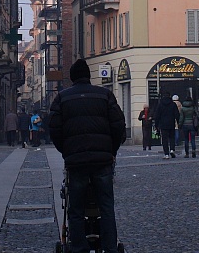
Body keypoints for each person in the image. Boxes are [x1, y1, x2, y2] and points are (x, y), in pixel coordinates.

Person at [48, 60, 126, 253]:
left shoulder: (62, 98)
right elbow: (118, 126)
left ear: (72, 77)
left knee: (75, 209)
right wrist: (111, 151)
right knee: (106, 206)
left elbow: (54, 130)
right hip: (103, 161)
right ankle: (110, 247)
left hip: (76, 161)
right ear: (88, 76)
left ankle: (79, 248)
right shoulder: (105, 95)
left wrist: (66, 151)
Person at [153, 93, 178, 158]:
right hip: (171, 123)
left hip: (163, 124)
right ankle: (172, 149)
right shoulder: (173, 104)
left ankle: (166, 154)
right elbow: (177, 114)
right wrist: (179, 122)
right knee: (172, 137)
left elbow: (157, 116)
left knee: (164, 139)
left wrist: (156, 125)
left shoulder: (160, 105)